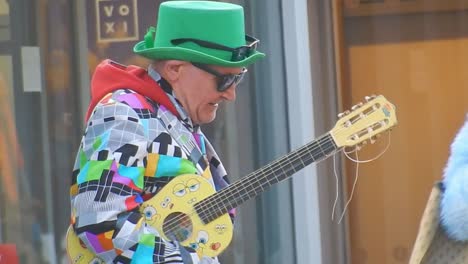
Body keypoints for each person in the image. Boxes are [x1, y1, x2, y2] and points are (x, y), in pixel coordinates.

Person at [68, 1, 265, 263]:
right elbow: (101, 223)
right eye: (224, 80)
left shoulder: (172, 117)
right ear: (174, 69)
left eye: (238, 79)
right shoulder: (124, 112)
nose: (230, 94)